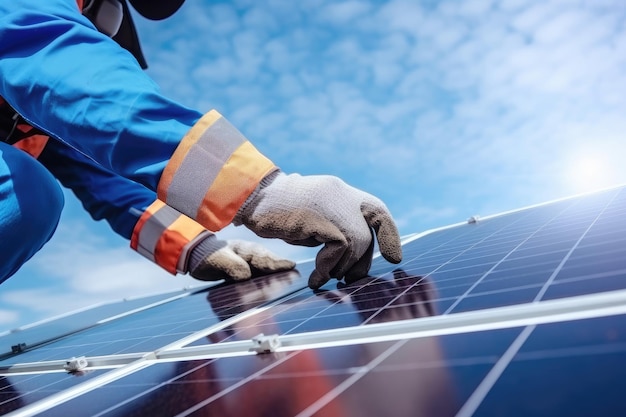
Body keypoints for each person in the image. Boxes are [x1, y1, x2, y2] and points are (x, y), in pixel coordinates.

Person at [0, 0, 402, 290]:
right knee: (28, 195)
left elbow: (106, 183)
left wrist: (196, 245)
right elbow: (57, 63)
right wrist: (261, 191)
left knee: (27, 195)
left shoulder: (21, 123)